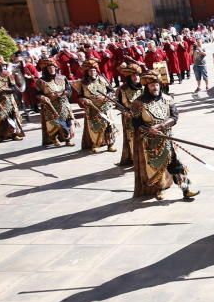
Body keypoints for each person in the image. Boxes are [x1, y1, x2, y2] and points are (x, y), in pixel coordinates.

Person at [130, 71, 198, 201]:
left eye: (156, 85)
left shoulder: (168, 99)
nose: (155, 87)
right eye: (151, 86)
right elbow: (136, 122)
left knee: (175, 164)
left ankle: (186, 189)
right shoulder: (138, 103)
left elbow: (174, 117)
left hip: (166, 138)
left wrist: (161, 126)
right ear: (147, 87)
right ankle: (158, 189)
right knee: (155, 167)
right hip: (149, 141)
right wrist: (148, 129)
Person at [73, 59, 117, 153]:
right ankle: (96, 144)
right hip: (92, 107)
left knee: (109, 125)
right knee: (95, 127)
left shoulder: (103, 79)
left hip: (105, 106)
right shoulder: (82, 83)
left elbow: (110, 91)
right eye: (90, 71)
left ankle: (110, 144)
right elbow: (79, 96)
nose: (92, 72)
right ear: (87, 72)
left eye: (94, 70)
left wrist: (107, 97)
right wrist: (84, 100)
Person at [35, 57, 75, 147]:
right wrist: (42, 97)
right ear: (46, 69)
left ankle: (68, 139)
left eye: (53, 67)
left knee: (66, 121)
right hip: (50, 105)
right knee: (53, 123)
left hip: (63, 103)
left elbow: (69, 90)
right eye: (49, 68)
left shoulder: (62, 78)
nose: (52, 69)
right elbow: (37, 94)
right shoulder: (41, 81)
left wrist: (64, 93)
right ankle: (54, 138)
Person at [115, 64, 144, 168]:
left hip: (143, 117)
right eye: (133, 75)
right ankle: (134, 159)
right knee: (132, 138)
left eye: (137, 75)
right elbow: (117, 104)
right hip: (129, 118)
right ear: (129, 77)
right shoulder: (122, 89)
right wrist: (125, 112)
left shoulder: (144, 86)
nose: (136, 77)